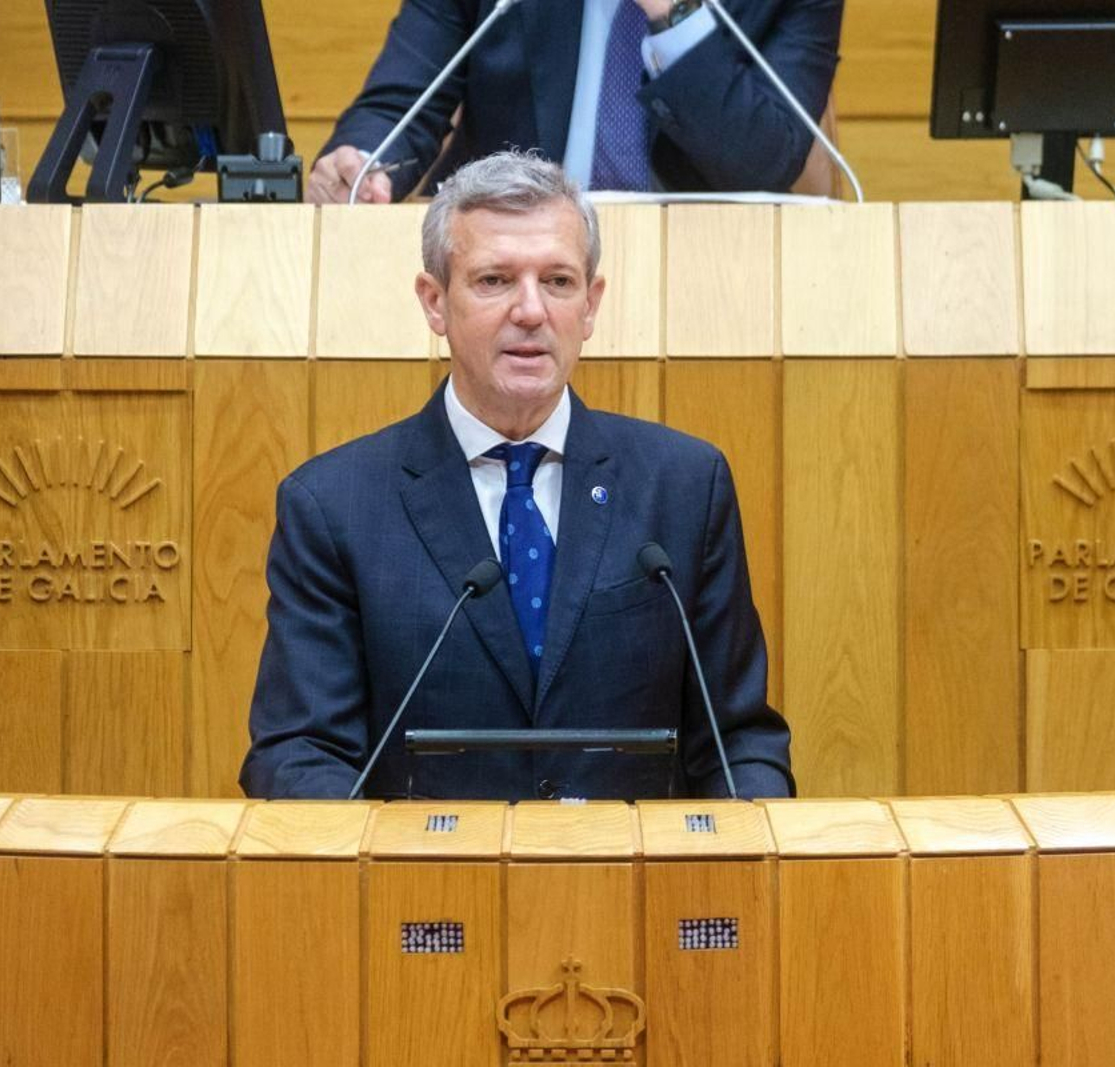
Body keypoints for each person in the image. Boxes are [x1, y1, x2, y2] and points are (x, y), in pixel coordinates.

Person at [244, 151, 792, 801]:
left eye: (557, 281)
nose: (530, 310)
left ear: (590, 305)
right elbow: (302, 753)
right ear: (434, 302)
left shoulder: (682, 485)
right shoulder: (335, 505)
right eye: (495, 280)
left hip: (634, 889)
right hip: (423, 893)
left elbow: (737, 742)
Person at [305, 0, 843, 203]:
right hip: (508, 257)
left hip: (704, 273)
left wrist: (674, 14)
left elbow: (767, 159)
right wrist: (364, 166)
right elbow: (401, 103)